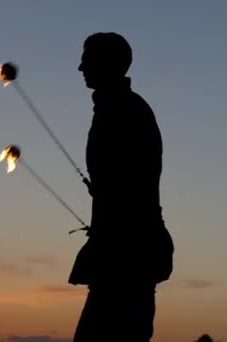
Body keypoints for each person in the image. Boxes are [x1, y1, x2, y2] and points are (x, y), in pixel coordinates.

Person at [68, 32, 175, 341]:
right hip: (125, 251)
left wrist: (112, 208)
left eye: (87, 61)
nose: (80, 68)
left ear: (108, 64)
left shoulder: (124, 110)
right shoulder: (117, 108)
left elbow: (133, 183)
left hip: (126, 254)